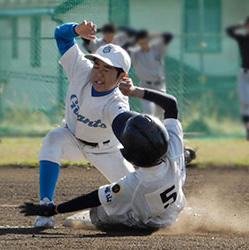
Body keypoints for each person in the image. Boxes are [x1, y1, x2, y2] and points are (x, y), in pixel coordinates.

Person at [21, 80, 186, 230]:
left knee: (99, 212)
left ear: (132, 157)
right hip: (175, 207)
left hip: (150, 223)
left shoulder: (135, 183)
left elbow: (96, 198)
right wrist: (135, 91)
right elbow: (171, 105)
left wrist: (54, 209)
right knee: (135, 200)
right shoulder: (174, 149)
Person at [34, 20, 136, 228]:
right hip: (71, 136)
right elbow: (60, 36)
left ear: (121, 76)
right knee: (53, 138)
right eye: (97, 65)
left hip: (106, 150)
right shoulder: (81, 69)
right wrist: (74, 29)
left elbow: (122, 123)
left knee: (135, 192)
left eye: (107, 69)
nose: (98, 73)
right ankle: (46, 208)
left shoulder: (117, 102)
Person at [128, 29, 173, 120]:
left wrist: (151, 36)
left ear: (148, 40)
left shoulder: (157, 48)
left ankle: (161, 133)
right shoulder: (135, 53)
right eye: (141, 43)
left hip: (159, 85)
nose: (143, 45)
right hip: (145, 86)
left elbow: (168, 35)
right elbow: (124, 48)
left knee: (161, 114)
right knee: (149, 112)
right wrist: (135, 40)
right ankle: (149, 133)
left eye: (145, 42)